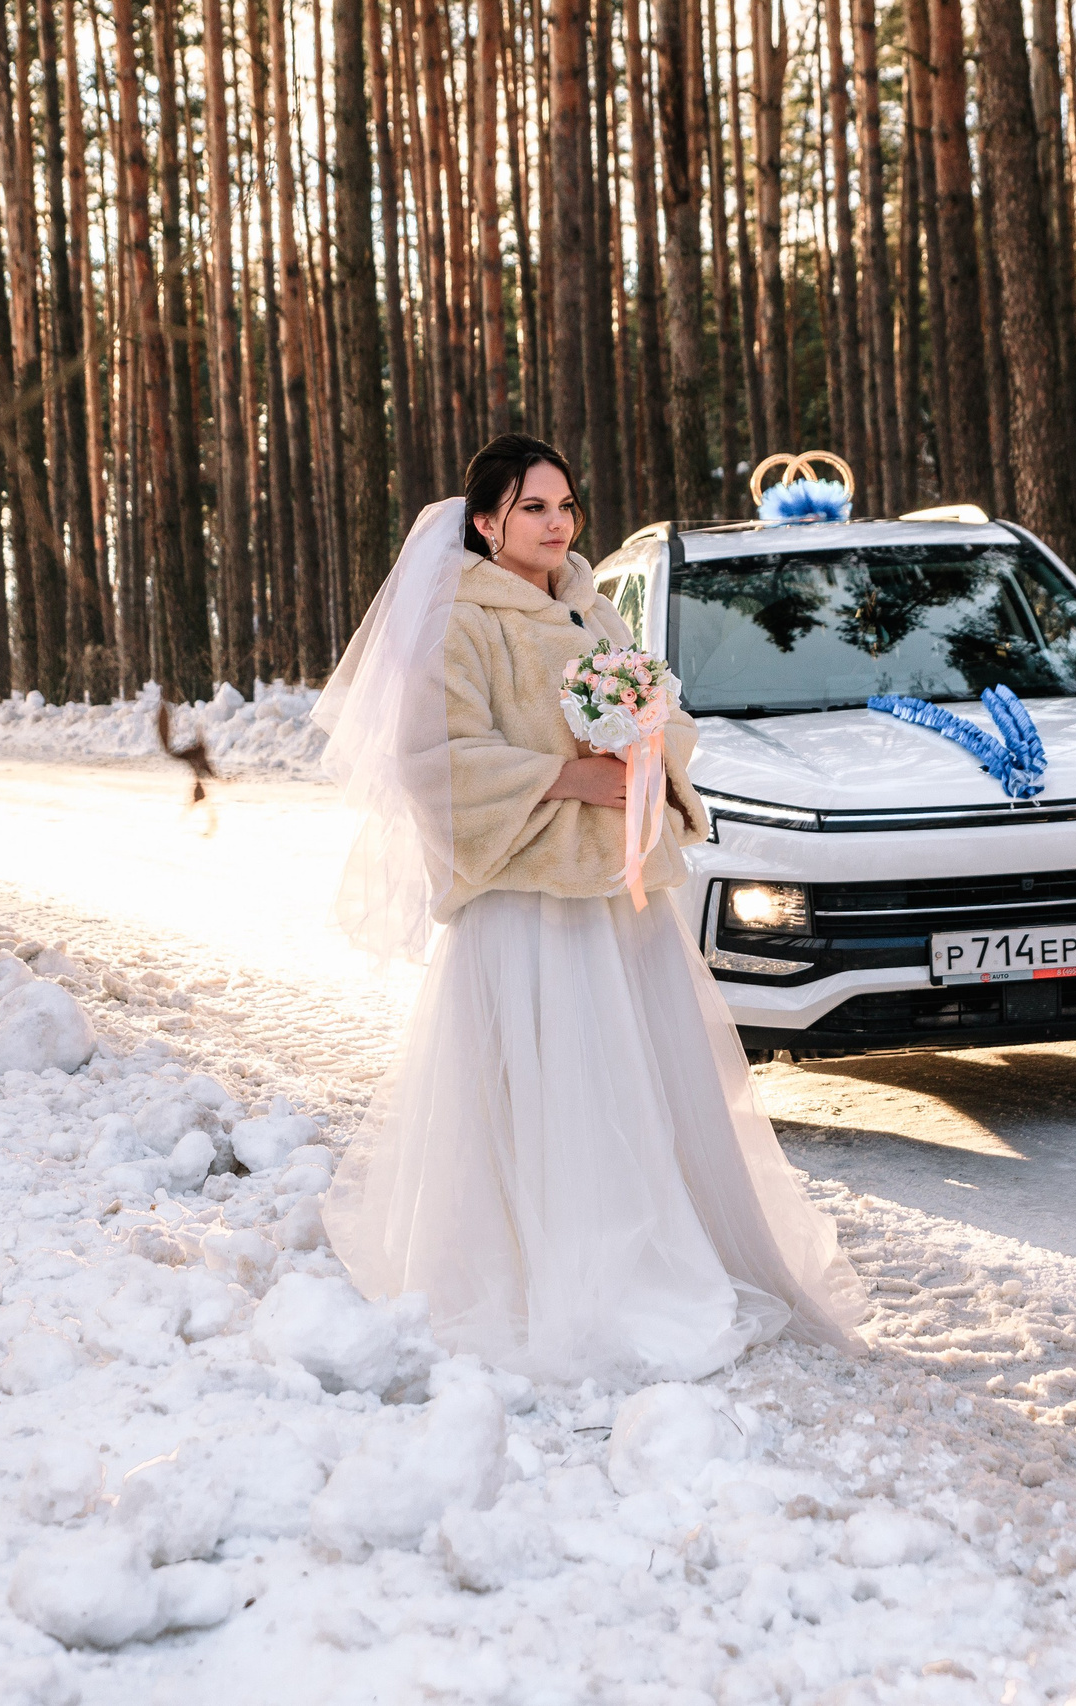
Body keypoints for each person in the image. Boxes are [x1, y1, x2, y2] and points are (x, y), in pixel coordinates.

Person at [314, 433, 868, 1387]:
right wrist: (572, 774)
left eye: (565, 505)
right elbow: (435, 760)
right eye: (532, 507)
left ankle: (663, 1250)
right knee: (553, 1092)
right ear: (486, 522)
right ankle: (554, 1276)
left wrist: (648, 752)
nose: (556, 523)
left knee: (638, 1086)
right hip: (529, 904)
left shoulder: (594, 608)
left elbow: (668, 717)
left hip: (616, 895)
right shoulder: (460, 621)